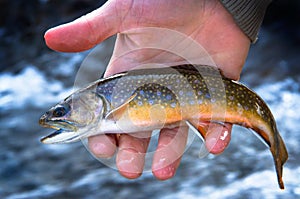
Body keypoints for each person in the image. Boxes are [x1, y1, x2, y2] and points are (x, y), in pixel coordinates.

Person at [44, 0, 271, 180]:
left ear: (90, 102)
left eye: (61, 112)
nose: (57, 118)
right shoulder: (107, 101)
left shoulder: (110, 105)